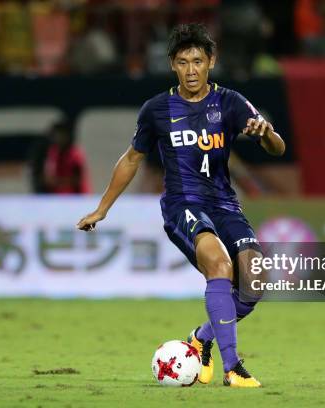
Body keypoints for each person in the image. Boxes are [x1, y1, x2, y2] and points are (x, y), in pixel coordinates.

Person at [76, 23, 285, 387]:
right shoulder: (157, 109)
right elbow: (130, 159)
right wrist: (102, 208)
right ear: (172, 64)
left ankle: (200, 339)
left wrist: (266, 134)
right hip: (182, 205)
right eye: (183, 61)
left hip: (224, 204)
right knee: (219, 266)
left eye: (198, 61)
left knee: (254, 283)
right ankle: (233, 367)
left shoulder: (230, 102)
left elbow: (278, 148)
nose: (191, 70)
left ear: (211, 62)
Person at [32, 120, 92, 194]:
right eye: (55, 135)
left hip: (76, 198)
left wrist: (56, 181)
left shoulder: (75, 154)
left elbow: (77, 180)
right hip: (58, 198)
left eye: (61, 135)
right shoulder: (53, 152)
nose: (58, 138)